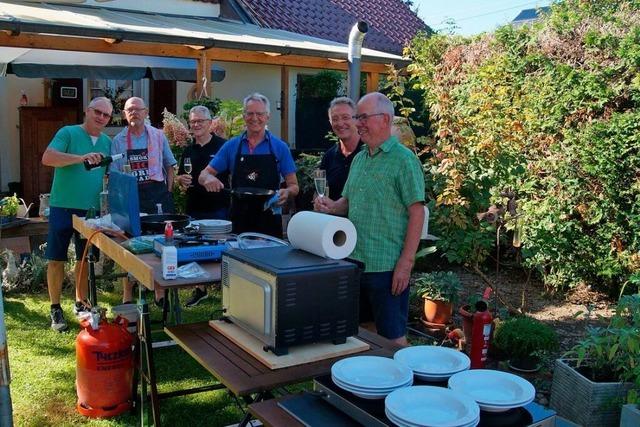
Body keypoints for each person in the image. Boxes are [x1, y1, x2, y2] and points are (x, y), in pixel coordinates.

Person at [315, 92, 425, 346]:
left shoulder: (404, 161)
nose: (358, 123)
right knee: (362, 331)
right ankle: (367, 384)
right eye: (358, 117)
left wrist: (405, 264)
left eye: (362, 117)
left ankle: (403, 385)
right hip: (354, 261)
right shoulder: (361, 159)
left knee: (393, 339)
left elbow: (416, 212)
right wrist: (330, 207)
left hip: (386, 266)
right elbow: (346, 204)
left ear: (384, 119)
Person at [41, 97, 113, 332]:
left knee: (84, 261)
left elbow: (108, 176)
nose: (101, 117)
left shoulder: (106, 142)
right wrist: (80, 158)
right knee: (56, 259)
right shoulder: (68, 132)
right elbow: (48, 158)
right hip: (63, 206)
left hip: (90, 210)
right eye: (98, 112)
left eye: (106, 115)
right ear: (87, 110)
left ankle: (80, 303)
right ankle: (55, 308)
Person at [199, 92, 298, 238]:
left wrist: (287, 192)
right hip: (239, 220)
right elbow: (203, 175)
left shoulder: (280, 147)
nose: (255, 118)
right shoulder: (232, 146)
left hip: (269, 220)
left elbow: (294, 185)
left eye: (260, 114)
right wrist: (208, 179)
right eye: (250, 113)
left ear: (267, 117)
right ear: (244, 116)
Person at [110, 97, 177, 305]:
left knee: (160, 242)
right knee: (129, 243)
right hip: (132, 195)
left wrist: (167, 191)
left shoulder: (158, 136)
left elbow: (170, 165)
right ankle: (128, 294)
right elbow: (114, 174)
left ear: (146, 112)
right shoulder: (118, 141)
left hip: (156, 194)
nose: (134, 113)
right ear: (124, 114)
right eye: (130, 110)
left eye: (138, 109)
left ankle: (159, 290)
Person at [175, 105, 230, 307]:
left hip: (218, 207)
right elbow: (182, 176)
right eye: (193, 122)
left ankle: (227, 291)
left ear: (210, 124)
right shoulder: (188, 150)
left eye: (200, 121)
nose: (196, 125)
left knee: (221, 249)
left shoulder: (223, 146)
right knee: (196, 248)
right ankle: (200, 290)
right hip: (194, 206)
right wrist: (181, 179)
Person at [319, 97, 363, 201]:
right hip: (332, 216)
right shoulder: (329, 156)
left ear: (356, 119)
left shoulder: (368, 152)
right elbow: (319, 192)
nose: (340, 123)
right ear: (330, 123)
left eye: (345, 117)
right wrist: (319, 201)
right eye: (335, 119)